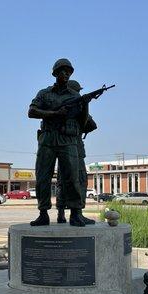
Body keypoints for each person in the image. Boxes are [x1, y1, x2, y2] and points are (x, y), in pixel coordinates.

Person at [28, 58, 88, 227]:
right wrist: (54, 113)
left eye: (68, 71)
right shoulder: (45, 93)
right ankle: (43, 213)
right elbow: (31, 111)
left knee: (72, 177)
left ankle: (76, 213)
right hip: (47, 138)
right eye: (62, 71)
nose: (66, 74)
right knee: (42, 176)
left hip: (67, 140)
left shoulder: (75, 96)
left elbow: (82, 123)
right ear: (55, 73)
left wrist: (86, 106)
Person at [56, 80, 97, 225]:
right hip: (74, 149)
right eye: (77, 91)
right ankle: (77, 213)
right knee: (79, 181)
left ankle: (61, 214)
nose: (78, 94)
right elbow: (92, 125)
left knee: (62, 182)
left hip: (61, 148)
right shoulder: (74, 107)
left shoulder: (59, 105)